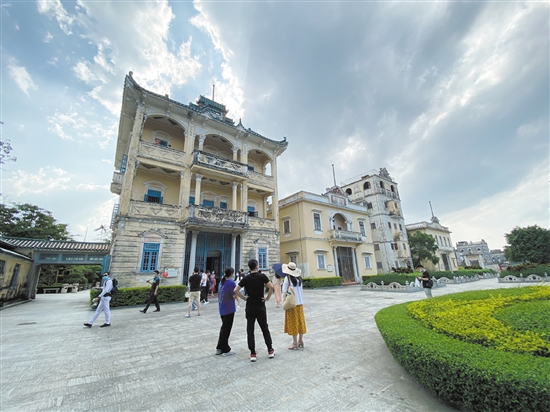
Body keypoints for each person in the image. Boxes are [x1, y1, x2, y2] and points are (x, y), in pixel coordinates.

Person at [234, 259, 275, 362]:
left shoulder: (246, 278)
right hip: (260, 306)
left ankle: (252, 353)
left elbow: (236, 290)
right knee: (264, 327)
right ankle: (270, 350)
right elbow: (271, 287)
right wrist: (267, 298)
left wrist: (244, 298)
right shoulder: (262, 276)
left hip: (250, 306)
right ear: (257, 266)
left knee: (250, 330)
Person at [281, 262, 307, 349]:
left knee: (293, 322)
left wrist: (283, 302)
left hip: (292, 304)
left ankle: (295, 343)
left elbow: (284, 292)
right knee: (300, 321)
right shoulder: (299, 279)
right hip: (300, 304)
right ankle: (300, 341)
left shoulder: (287, 279)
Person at [216, 268, 237, 356]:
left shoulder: (221, 282)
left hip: (222, 308)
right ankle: (225, 349)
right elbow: (234, 295)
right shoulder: (231, 283)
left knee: (223, 329)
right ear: (232, 273)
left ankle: (219, 347)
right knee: (226, 329)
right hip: (229, 309)